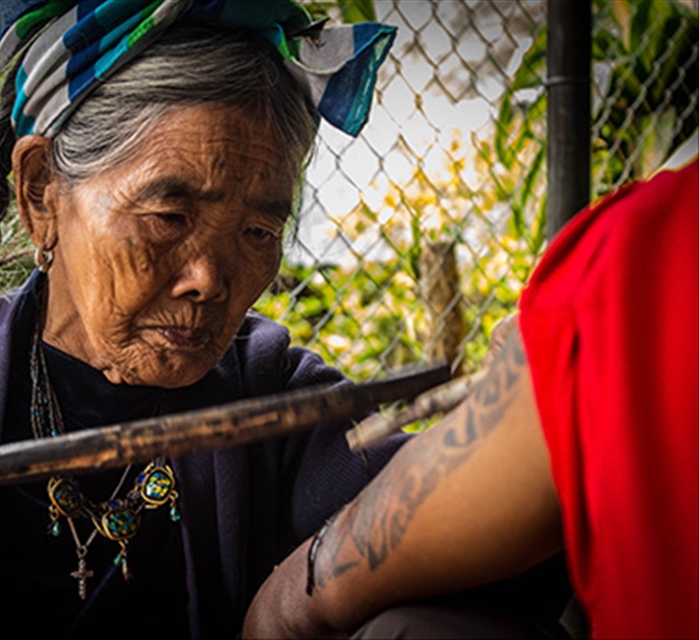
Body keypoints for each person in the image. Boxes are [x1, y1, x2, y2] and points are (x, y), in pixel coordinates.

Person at [0, 1, 414, 638]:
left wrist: (294, 597)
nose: (209, 278)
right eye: (168, 219)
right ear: (40, 193)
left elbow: (446, 508)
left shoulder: (279, 405)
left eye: (259, 232)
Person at [243, 157, 698, 639]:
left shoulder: (646, 254)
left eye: (259, 231)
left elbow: (487, 486)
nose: (206, 279)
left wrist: (280, 607)